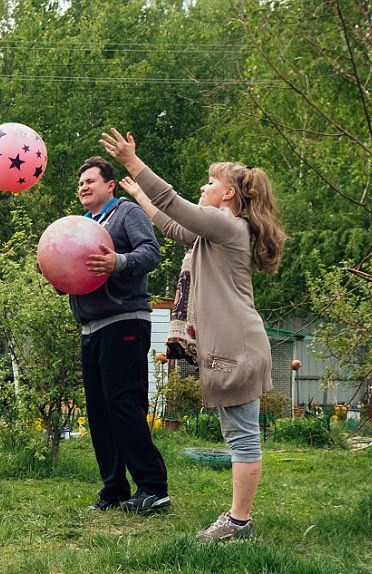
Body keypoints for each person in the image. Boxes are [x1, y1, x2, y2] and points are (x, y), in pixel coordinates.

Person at [101, 128, 286, 541]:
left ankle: (238, 522)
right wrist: (140, 196)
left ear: (228, 196)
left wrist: (133, 161)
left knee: (242, 436)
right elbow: (172, 224)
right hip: (236, 342)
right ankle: (239, 519)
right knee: (239, 432)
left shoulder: (225, 225)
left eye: (211, 182)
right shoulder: (216, 233)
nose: (204, 186)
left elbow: (174, 204)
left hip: (237, 346)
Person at [72, 156, 170, 514]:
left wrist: (118, 262)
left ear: (109, 186)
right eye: (80, 182)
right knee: (99, 410)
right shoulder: (81, 225)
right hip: (90, 326)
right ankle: (113, 488)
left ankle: (153, 487)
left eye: (90, 181)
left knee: (123, 402)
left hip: (125, 320)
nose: (83, 186)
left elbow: (150, 253)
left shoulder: (125, 213)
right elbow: (77, 275)